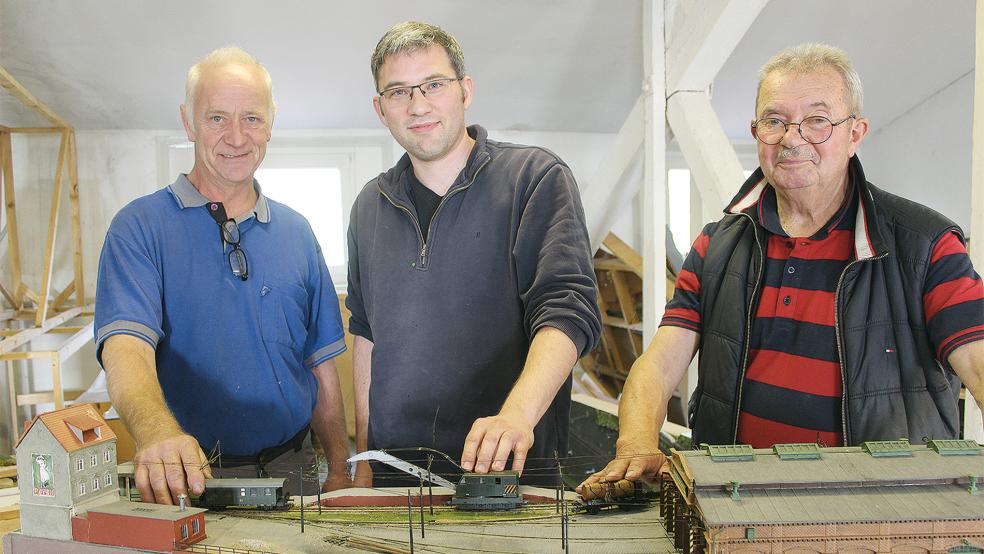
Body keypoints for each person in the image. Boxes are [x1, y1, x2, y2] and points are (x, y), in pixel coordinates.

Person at [579, 43, 984, 492]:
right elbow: (658, 365)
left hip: (883, 508)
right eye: (774, 121)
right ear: (757, 133)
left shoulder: (924, 245)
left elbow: (978, 361)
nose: (792, 138)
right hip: (735, 501)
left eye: (817, 120)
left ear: (855, 134)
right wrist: (636, 445)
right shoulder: (717, 245)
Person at [347, 21, 601, 486]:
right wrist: (364, 459)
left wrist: (517, 415)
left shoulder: (534, 178)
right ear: (380, 109)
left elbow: (568, 311)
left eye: (434, 85)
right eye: (399, 92)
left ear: (465, 90)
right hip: (396, 475)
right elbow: (366, 334)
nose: (418, 105)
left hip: (508, 473)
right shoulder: (369, 204)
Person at [94, 47, 351, 504]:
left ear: (270, 123)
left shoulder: (297, 231)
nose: (236, 137)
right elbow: (126, 347)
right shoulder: (139, 227)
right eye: (217, 118)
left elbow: (320, 365)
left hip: (294, 469)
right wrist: (156, 433)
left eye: (252, 118)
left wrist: (338, 467)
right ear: (188, 122)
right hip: (191, 476)